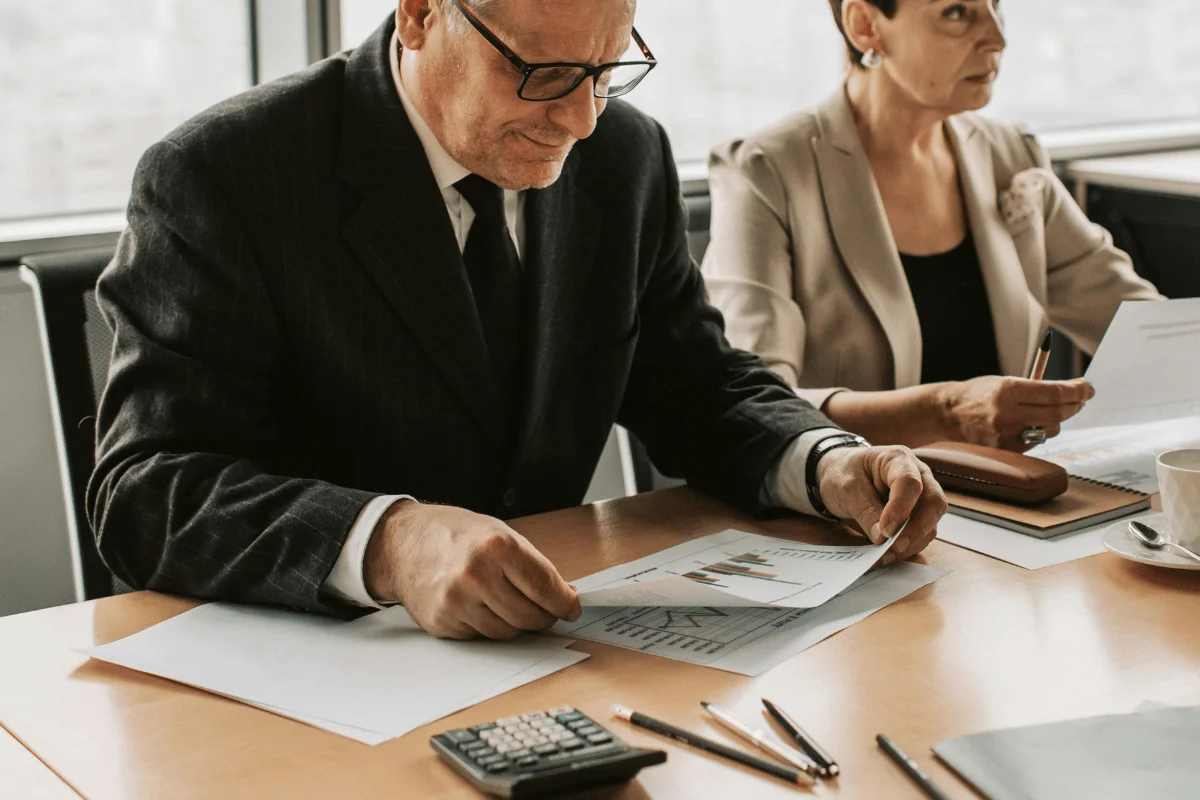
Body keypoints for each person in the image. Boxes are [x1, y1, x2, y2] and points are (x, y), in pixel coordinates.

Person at [88, 0, 946, 641]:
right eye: (542, 75)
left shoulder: (624, 156)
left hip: (546, 658)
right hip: (312, 662)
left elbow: (695, 383)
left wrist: (822, 461)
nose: (579, 121)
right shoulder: (224, 175)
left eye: (607, 73)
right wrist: (387, 541)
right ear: (421, 13)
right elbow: (147, 489)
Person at [701, 0, 1162, 453]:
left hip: (1002, 504)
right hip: (850, 515)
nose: (998, 38)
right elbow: (755, 405)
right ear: (865, 26)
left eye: (995, 6)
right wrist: (944, 413)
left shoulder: (1010, 153)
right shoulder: (766, 171)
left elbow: (1150, 333)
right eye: (957, 12)